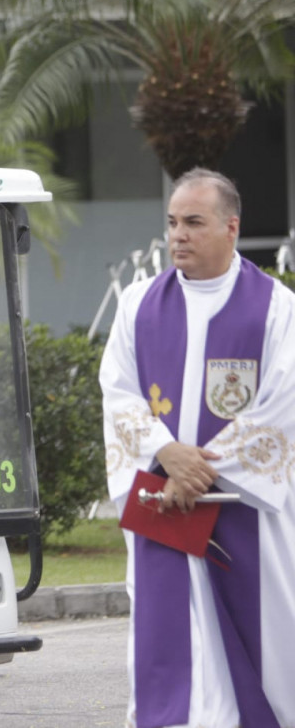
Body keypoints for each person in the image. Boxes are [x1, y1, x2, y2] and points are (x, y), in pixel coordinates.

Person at [100, 167, 295, 727]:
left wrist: (200, 471)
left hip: (242, 508)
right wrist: (165, 453)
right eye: (172, 222)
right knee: (168, 635)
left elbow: (282, 403)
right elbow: (117, 389)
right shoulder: (138, 304)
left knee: (257, 633)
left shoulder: (276, 307)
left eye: (193, 222)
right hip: (163, 503)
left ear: (231, 227)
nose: (177, 235)